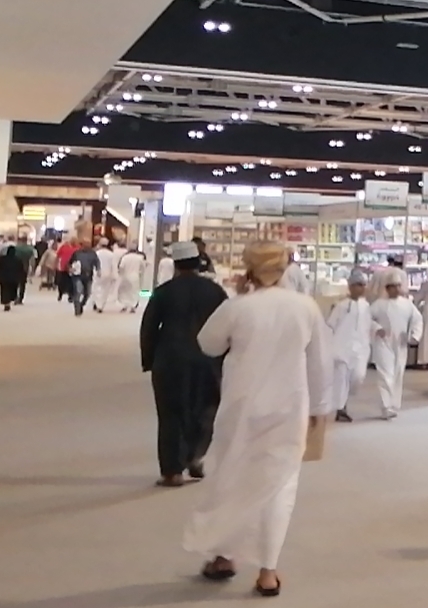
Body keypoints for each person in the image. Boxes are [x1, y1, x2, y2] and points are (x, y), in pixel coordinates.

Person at [183, 240, 330, 598]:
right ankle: (268, 571)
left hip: (242, 408)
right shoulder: (305, 307)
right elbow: (320, 363)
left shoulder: (238, 307)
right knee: (280, 486)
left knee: (231, 477)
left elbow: (208, 343)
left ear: (248, 268)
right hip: (290, 407)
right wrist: (320, 410)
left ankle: (224, 556)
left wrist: (238, 298)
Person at [141, 242, 228, 487]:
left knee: (171, 413)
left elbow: (149, 326)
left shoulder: (164, 291)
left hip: (170, 359)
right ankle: (196, 456)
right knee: (206, 408)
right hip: (208, 358)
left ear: (176, 265)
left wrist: (149, 359)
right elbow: (227, 323)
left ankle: (172, 471)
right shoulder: (215, 291)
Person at [367, 271, 422, 420]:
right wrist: (377, 328)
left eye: (398, 286)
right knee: (385, 374)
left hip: (400, 344)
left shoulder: (407, 305)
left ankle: (394, 405)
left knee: (398, 373)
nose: (397, 289)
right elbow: (367, 318)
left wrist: (413, 336)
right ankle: (386, 406)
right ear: (387, 288)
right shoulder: (379, 304)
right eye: (393, 286)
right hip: (383, 343)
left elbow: (417, 320)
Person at [323, 272, 374, 423]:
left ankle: (343, 401)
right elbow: (330, 325)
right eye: (358, 285)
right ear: (351, 287)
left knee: (358, 377)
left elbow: (368, 324)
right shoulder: (341, 306)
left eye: (363, 285)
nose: (362, 288)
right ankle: (341, 408)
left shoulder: (366, 306)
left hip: (360, 348)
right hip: (341, 348)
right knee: (341, 380)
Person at [0, 238, 28, 311]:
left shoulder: (2, 259)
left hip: (4, 278)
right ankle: (9, 301)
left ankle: (6, 302)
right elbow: (21, 270)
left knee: (4, 290)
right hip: (14, 279)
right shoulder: (18, 260)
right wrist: (22, 278)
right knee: (12, 290)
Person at [67, 240, 100, 317]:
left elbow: (97, 262)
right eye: (85, 244)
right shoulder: (77, 253)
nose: (87, 246)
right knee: (78, 291)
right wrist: (70, 268)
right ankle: (77, 309)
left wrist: (98, 269)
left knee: (87, 293)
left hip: (88, 276)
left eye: (88, 244)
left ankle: (81, 304)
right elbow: (69, 262)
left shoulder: (92, 253)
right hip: (77, 275)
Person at [93, 239, 123, 314]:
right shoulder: (111, 254)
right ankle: (101, 305)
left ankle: (97, 303)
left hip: (97, 273)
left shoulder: (97, 253)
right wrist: (115, 275)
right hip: (108, 273)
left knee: (96, 288)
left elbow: (94, 264)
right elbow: (113, 265)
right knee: (105, 290)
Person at [117, 246, 146, 313]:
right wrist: (140, 274)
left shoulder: (125, 257)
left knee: (124, 292)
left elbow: (121, 267)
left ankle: (124, 305)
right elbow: (143, 267)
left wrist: (120, 274)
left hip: (125, 276)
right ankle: (133, 306)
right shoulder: (139, 258)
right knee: (134, 292)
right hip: (135, 276)